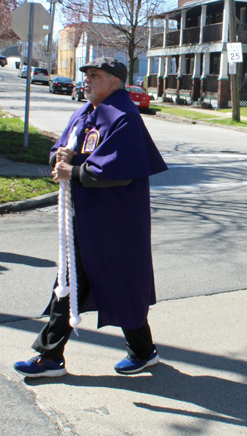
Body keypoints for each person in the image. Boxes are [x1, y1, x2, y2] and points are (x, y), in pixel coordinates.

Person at [14, 57, 168, 378]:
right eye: (86, 75)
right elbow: (62, 148)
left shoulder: (124, 118)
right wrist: (60, 157)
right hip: (83, 219)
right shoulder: (85, 112)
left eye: (94, 75)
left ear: (115, 82)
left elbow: (117, 172)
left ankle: (142, 350)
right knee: (69, 283)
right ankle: (51, 356)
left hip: (114, 224)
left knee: (120, 284)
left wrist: (75, 171)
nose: (86, 80)